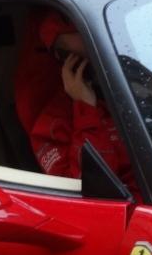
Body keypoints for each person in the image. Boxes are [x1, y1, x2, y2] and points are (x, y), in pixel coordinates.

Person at [29, 14, 134, 186]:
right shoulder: (52, 125)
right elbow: (92, 186)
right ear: (67, 62)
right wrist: (86, 108)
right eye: (87, 56)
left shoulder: (139, 89)